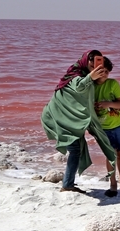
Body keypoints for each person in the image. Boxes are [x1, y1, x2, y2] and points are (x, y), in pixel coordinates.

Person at [41, 50, 116, 194]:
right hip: (59, 118)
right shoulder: (75, 76)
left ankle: (68, 183)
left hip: (68, 120)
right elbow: (79, 86)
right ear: (84, 60)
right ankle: (67, 185)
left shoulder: (84, 76)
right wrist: (90, 77)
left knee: (77, 150)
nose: (93, 64)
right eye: (91, 60)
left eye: (96, 61)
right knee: (75, 150)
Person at [93, 56, 120, 197]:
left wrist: (108, 104)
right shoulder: (90, 86)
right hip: (101, 127)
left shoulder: (113, 84)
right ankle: (112, 183)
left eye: (106, 71)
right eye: (100, 71)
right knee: (110, 155)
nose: (103, 74)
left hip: (117, 124)